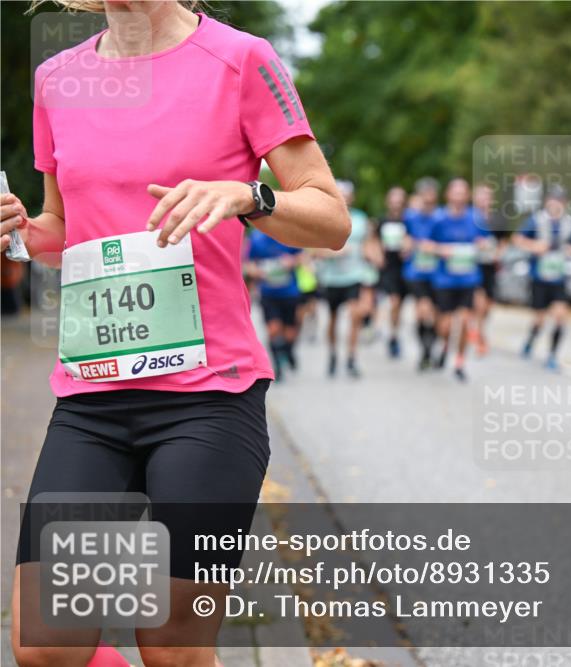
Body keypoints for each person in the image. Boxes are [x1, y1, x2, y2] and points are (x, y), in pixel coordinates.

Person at [0, 2, 350, 665]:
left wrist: (251, 196)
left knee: (172, 647)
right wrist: (19, 232)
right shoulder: (57, 78)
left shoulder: (242, 60)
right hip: (92, 393)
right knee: (46, 645)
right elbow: (65, 229)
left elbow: (331, 218)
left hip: (207, 397)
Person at [513, 185, 571, 371]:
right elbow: (517, 239)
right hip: (539, 277)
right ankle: (530, 340)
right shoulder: (536, 221)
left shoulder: (570, 223)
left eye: (560, 200)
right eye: (553, 199)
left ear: (565, 203)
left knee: (560, 317)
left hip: (558, 277)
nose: (556, 204)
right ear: (547, 201)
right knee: (540, 319)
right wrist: (535, 246)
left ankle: (552, 355)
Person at [428, 178, 486, 382]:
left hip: (468, 279)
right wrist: (441, 250)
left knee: (463, 321)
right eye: (456, 192)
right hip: (444, 280)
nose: (460, 196)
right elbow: (425, 245)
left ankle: (460, 362)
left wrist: (482, 245)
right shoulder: (438, 218)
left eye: (463, 192)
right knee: (444, 327)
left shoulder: (475, 217)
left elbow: (485, 241)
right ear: (448, 195)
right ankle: (445, 344)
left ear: (467, 196)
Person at [314, 180, 369, 379]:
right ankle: (333, 354)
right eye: (341, 193)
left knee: (355, 315)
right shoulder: (324, 219)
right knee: (333, 319)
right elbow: (315, 251)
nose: (344, 197)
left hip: (354, 275)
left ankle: (352, 358)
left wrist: (373, 258)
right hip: (331, 278)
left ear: (352, 197)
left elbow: (368, 243)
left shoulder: (361, 219)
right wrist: (333, 254)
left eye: (347, 194)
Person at [245, 228, 303, 382]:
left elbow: (302, 256)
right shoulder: (256, 238)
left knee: (290, 332)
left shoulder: (288, 233)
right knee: (274, 330)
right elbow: (248, 264)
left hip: (290, 292)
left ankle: (288, 351)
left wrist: (291, 262)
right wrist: (256, 272)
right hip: (268, 293)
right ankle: (277, 366)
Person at [403, 177, 442, 370]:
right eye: (424, 193)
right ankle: (424, 351)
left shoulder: (441, 217)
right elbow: (404, 238)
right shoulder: (410, 217)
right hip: (416, 272)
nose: (428, 197)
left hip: (438, 274)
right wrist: (407, 245)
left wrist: (435, 248)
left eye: (431, 193)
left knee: (435, 315)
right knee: (422, 310)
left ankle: (431, 349)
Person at [372, 186, 409, 358]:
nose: (396, 204)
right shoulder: (382, 221)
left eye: (399, 201)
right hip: (388, 267)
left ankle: (394, 334)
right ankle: (384, 329)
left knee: (399, 305)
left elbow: (414, 240)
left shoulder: (408, 221)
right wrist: (377, 255)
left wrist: (408, 247)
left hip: (404, 267)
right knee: (393, 301)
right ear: (388, 202)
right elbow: (373, 241)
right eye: (393, 200)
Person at [470, 183, 506, 356]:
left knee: (488, 306)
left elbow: (503, 241)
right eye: (481, 195)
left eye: (487, 196)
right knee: (479, 303)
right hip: (473, 265)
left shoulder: (498, 218)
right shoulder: (469, 217)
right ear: (474, 198)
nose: (484, 199)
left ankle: (477, 329)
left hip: (490, 266)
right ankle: (480, 337)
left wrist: (498, 253)